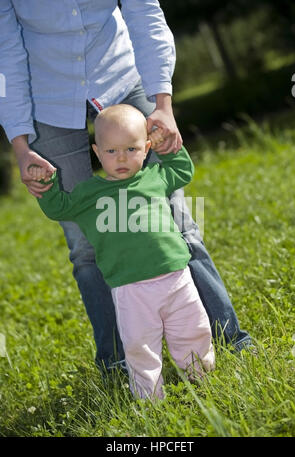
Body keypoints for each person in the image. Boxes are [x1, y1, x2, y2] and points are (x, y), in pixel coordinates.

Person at [0, 1, 251, 373]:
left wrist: (162, 102)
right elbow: (6, 53)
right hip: (47, 102)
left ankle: (230, 338)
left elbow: (144, 13)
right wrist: (20, 144)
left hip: (121, 77)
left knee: (177, 223)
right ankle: (117, 362)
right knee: (85, 247)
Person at [29, 104, 215, 399]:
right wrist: (46, 184)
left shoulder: (155, 176)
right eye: (112, 151)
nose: (122, 158)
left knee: (192, 330)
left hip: (177, 278)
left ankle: (201, 379)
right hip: (131, 289)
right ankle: (149, 398)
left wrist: (169, 149)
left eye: (131, 148)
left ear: (146, 148)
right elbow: (58, 208)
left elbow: (183, 171)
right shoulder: (89, 194)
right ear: (97, 151)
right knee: (140, 346)